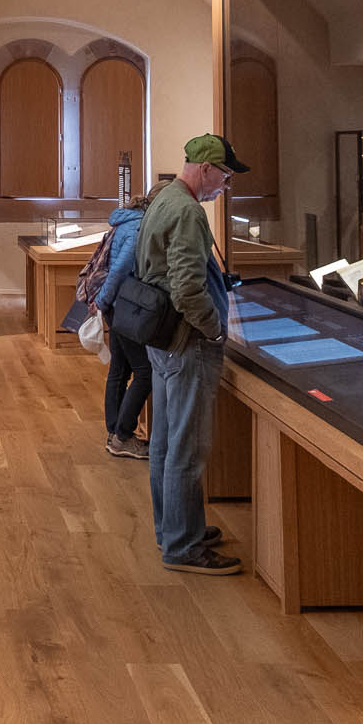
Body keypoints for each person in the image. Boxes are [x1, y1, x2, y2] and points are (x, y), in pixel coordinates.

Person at [137, 132, 247, 576]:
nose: (225, 185)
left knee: (165, 443)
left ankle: (174, 529)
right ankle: (183, 547)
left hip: (164, 342)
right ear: (206, 170)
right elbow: (187, 288)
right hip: (187, 343)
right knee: (186, 448)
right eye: (224, 175)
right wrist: (216, 329)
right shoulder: (186, 210)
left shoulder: (164, 198)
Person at [95, 194, 154, 459]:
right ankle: (122, 436)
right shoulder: (140, 228)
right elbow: (120, 270)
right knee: (145, 372)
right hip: (127, 306)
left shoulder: (124, 222)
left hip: (117, 306)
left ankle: (114, 433)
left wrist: (105, 302)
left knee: (119, 369)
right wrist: (103, 300)